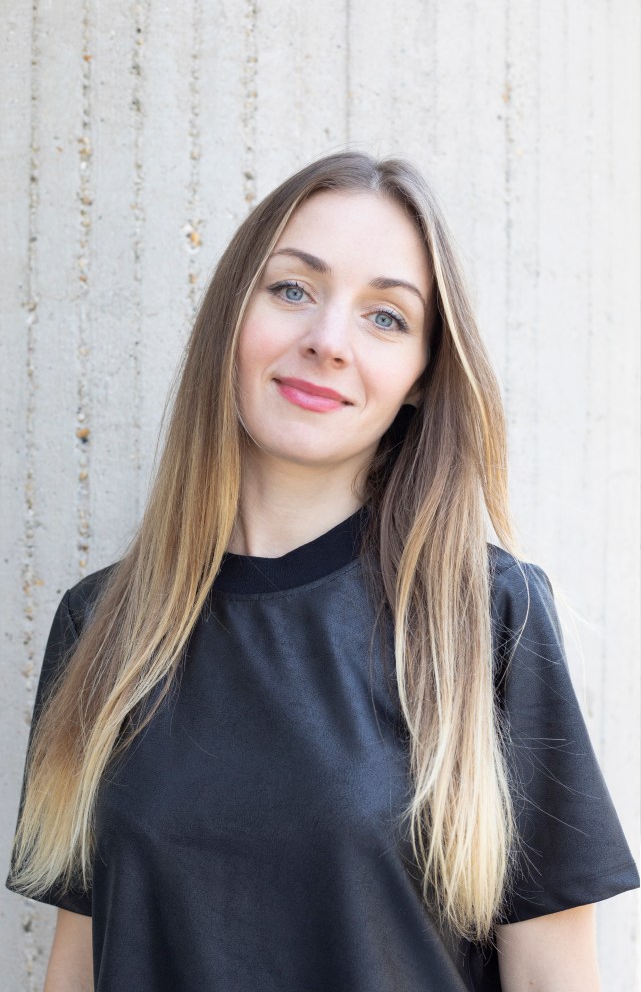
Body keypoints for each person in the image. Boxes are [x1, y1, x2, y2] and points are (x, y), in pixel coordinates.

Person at [6, 150, 639, 992]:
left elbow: (553, 978)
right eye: (293, 289)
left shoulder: (486, 616)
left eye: (385, 317)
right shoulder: (102, 627)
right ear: (233, 317)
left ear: (421, 378)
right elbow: (76, 971)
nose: (327, 341)